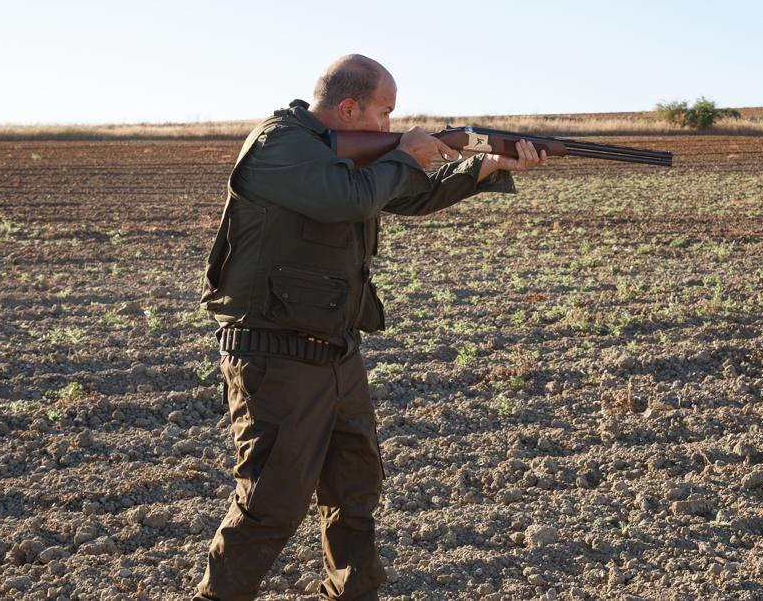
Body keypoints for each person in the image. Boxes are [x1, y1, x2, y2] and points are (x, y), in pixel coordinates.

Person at [193, 54, 546, 600]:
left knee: (355, 494)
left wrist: (488, 165)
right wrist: (406, 153)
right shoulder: (280, 144)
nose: (390, 128)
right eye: (384, 114)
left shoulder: (352, 157)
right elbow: (347, 198)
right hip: (276, 353)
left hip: (337, 352)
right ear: (349, 107)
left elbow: (411, 195)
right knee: (270, 506)